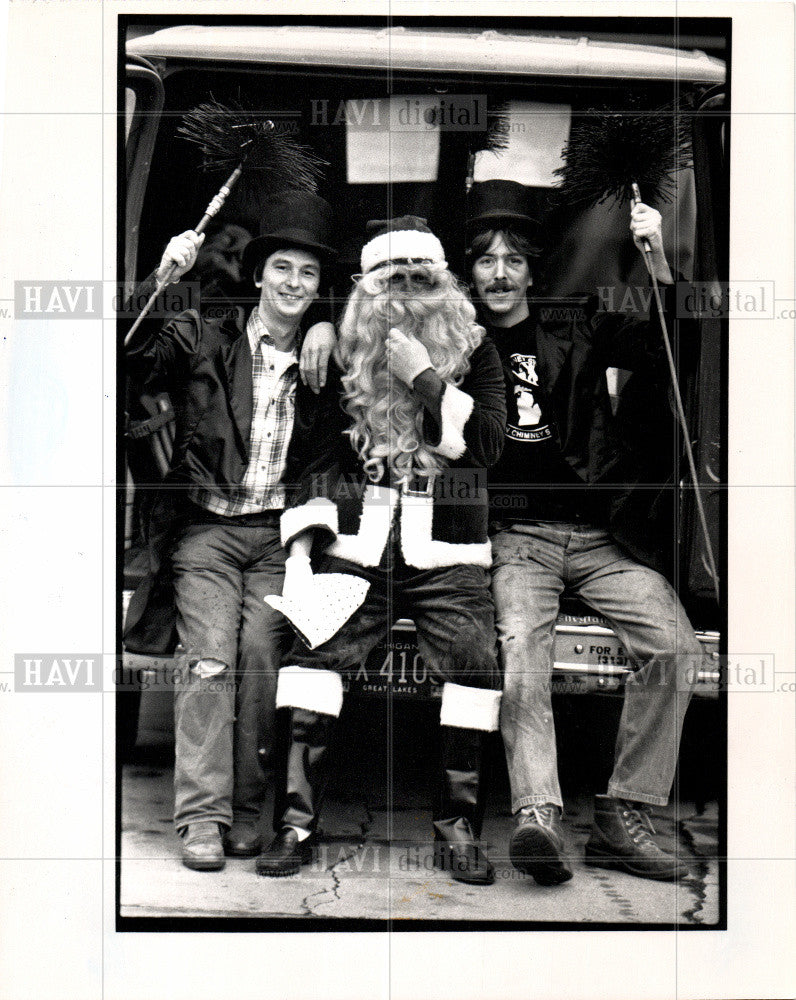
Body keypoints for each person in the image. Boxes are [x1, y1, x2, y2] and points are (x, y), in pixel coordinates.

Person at [255, 216, 507, 885]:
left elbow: (485, 446)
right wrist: (306, 551)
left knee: (475, 663)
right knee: (313, 653)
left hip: (447, 545)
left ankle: (456, 830)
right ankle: (295, 822)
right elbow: (313, 458)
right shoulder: (341, 350)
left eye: (420, 280)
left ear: (444, 286)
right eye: (390, 281)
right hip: (356, 542)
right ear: (366, 292)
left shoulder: (476, 348)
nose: (405, 295)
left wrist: (424, 376)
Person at [465, 179, 703, 886]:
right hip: (516, 538)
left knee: (676, 646)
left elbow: (674, 338)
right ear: (469, 271)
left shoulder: (580, 322)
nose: (500, 272)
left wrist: (658, 259)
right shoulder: (454, 335)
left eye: (513, 259)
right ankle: (539, 814)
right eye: (485, 259)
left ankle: (624, 814)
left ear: (534, 269)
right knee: (522, 653)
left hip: (599, 536)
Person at [124, 190, 338, 871]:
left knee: (258, 662)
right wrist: (160, 283)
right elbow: (125, 362)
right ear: (257, 275)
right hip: (208, 531)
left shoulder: (324, 358)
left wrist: (330, 323)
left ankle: (248, 810)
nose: (293, 283)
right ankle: (204, 817)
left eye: (307, 274)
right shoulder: (203, 335)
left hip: (280, 535)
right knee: (210, 657)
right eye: (281, 268)